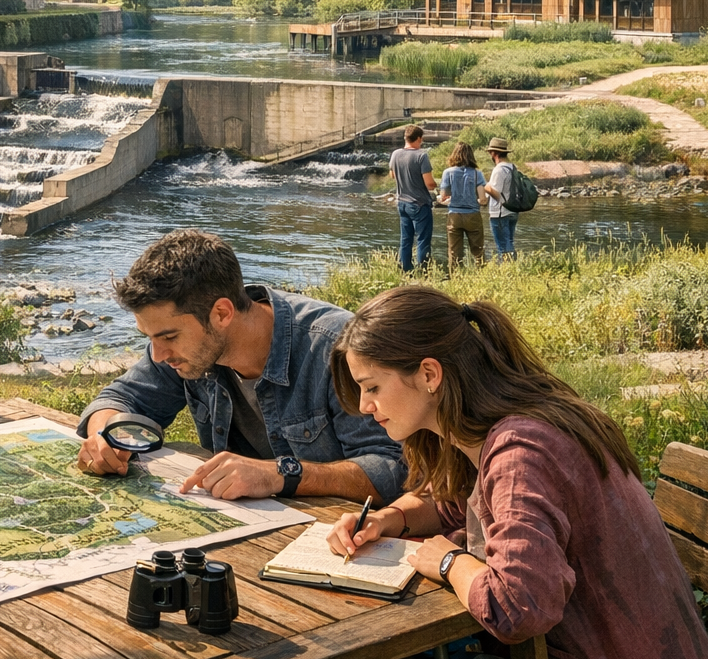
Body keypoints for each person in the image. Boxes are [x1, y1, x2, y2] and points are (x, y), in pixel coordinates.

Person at [327, 287, 708, 659]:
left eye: (372, 387)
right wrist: (386, 519)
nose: (365, 405)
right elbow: (453, 502)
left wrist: (450, 562)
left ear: (429, 374)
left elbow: (517, 608)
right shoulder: (487, 426)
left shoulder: (520, 451)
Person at [76, 230, 404, 503]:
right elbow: (121, 399)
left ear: (221, 313)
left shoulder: (336, 349)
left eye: (168, 337)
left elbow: (392, 468)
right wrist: (105, 434)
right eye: (149, 337)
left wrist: (280, 474)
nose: (159, 354)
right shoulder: (187, 349)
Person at [389, 124, 436, 272]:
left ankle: (406, 271)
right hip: (419, 204)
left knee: (405, 240)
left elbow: (392, 175)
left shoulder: (395, 154)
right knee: (423, 240)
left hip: (402, 202)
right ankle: (423, 271)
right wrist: (436, 184)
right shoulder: (421, 155)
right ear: (419, 139)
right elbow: (429, 184)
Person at [437, 142, 486, 272]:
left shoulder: (447, 172)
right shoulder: (477, 174)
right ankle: (482, 275)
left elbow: (444, 196)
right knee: (478, 250)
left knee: (454, 252)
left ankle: (455, 278)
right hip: (473, 215)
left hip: (454, 215)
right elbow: (482, 199)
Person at [483, 137, 518, 262]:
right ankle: (513, 267)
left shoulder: (499, 169)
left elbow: (496, 194)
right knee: (509, 242)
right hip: (512, 211)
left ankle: (508, 270)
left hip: (500, 213)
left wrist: (486, 187)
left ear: (494, 153)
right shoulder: (512, 167)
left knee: (503, 247)